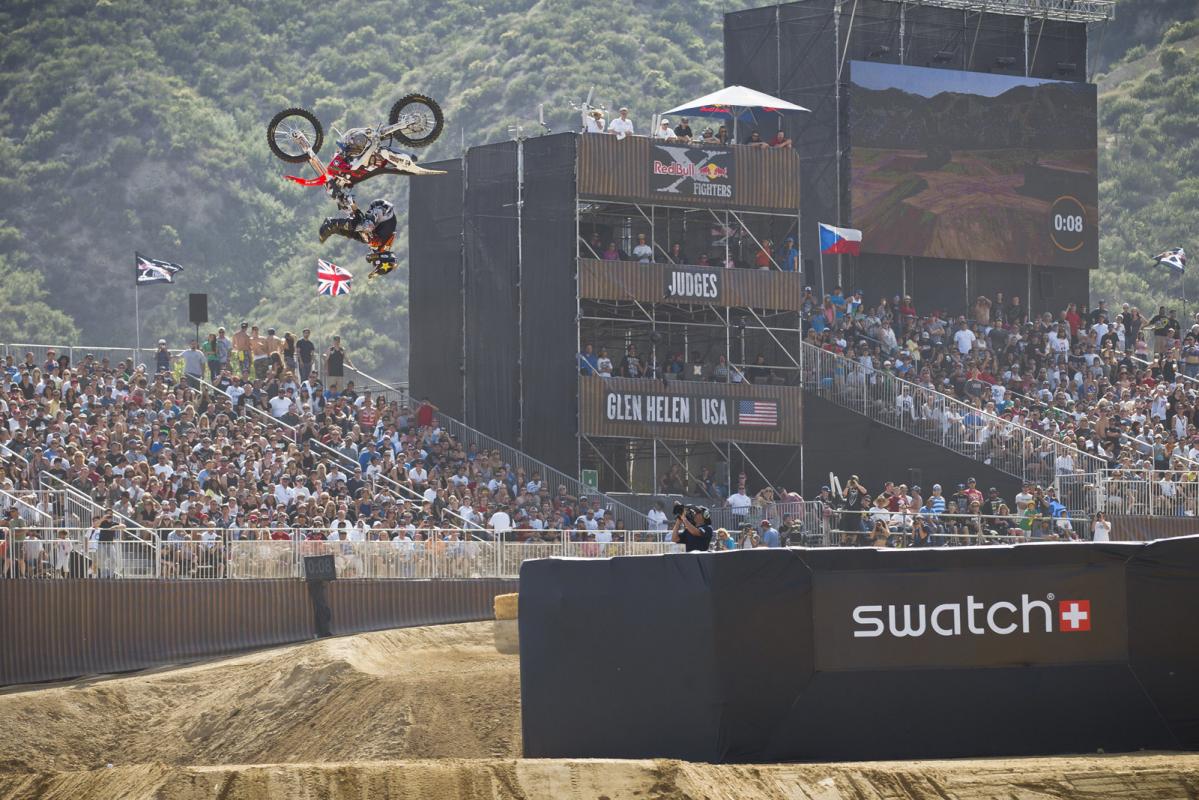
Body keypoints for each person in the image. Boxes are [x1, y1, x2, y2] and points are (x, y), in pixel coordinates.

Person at [319, 198, 398, 277]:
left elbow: (358, 232)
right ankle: (333, 223)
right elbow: (375, 252)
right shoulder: (381, 245)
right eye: (376, 263)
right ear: (382, 259)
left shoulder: (381, 246)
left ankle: (344, 208)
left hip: (378, 219)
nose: (373, 262)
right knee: (366, 230)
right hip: (384, 210)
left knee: (359, 234)